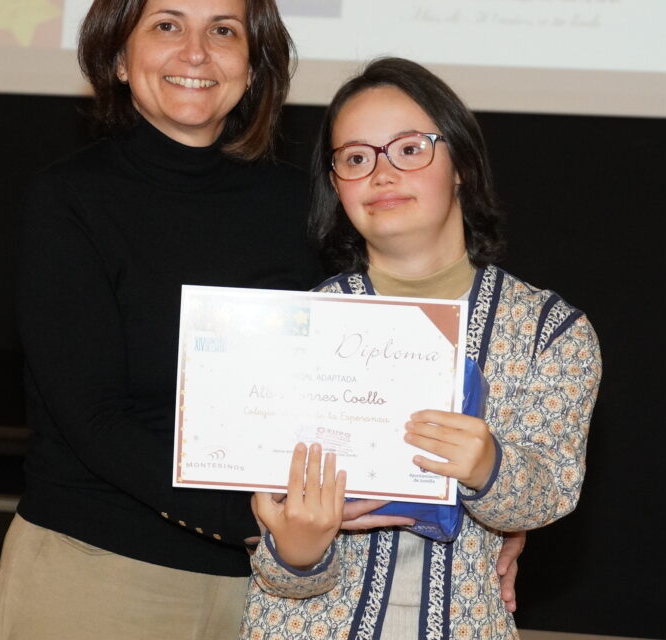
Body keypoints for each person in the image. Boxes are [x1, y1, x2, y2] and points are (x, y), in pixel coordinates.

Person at [0, 0, 524, 633]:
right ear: (119, 57)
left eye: (224, 30)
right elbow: (94, 420)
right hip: (99, 574)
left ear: (252, 64)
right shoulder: (69, 200)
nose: (197, 52)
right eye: (166, 25)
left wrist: (480, 514)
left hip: (274, 598)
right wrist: (264, 522)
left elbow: (378, 378)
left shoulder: (301, 203)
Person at [242, 57, 602, 640]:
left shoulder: (549, 333)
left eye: (410, 149)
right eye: (356, 158)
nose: (382, 174)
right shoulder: (298, 332)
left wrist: (489, 468)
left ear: (460, 163)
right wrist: (298, 551)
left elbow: (549, 494)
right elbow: (280, 574)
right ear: (336, 186)